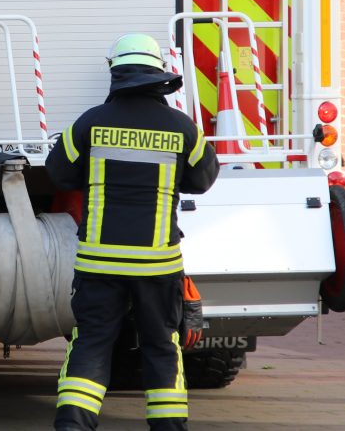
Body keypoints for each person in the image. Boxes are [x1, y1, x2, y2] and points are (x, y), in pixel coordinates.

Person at [45, 34, 220, 431]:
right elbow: (204, 178)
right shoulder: (182, 128)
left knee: (91, 343)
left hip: (98, 263)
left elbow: (58, 172)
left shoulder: (89, 122)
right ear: (157, 72)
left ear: (115, 73)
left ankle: (73, 424)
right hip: (157, 266)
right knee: (161, 346)